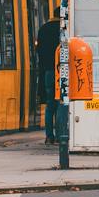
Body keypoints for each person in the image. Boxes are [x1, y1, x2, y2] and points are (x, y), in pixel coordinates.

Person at [32, 16, 62, 144]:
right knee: (62, 104)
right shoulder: (64, 29)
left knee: (50, 106)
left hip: (48, 72)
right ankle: (62, 135)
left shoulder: (43, 29)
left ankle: (49, 136)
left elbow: (38, 51)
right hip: (62, 72)